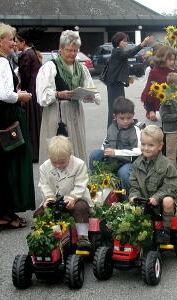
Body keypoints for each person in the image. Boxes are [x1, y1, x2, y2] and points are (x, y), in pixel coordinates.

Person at [36, 30, 101, 164]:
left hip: (75, 112)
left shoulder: (81, 68)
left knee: (76, 149)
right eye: (69, 50)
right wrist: (58, 94)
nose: (72, 54)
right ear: (60, 49)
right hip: (56, 113)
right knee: (58, 150)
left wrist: (90, 97)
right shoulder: (50, 67)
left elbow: (91, 88)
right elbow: (42, 96)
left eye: (75, 51)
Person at [0, 23, 35, 229]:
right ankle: (5, 214)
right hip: (7, 117)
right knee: (11, 165)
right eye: (11, 39)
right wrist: (20, 95)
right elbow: (4, 94)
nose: (14, 42)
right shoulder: (2, 62)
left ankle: (4, 212)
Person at [36, 136, 93, 250]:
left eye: (62, 162)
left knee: (80, 208)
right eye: (54, 162)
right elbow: (44, 185)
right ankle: (43, 237)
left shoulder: (79, 164)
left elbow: (80, 184)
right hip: (54, 200)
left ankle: (83, 236)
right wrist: (49, 198)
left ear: (69, 156)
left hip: (76, 199)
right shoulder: (44, 167)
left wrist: (73, 197)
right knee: (39, 213)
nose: (58, 165)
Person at [129, 125, 177, 244]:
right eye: (143, 144)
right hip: (144, 201)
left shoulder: (167, 165)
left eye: (150, 145)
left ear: (160, 146)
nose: (146, 148)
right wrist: (134, 196)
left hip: (161, 204)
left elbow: (170, 186)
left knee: (168, 200)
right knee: (129, 206)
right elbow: (134, 184)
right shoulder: (137, 164)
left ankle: (165, 231)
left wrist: (157, 197)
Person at [89, 96, 142, 194]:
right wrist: (104, 150)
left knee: (124, 172)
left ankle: (128, 199)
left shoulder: (136, 130)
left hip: (128, 162)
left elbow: (138, 151)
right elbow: (106, 141)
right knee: (94, 154)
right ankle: (95, 187)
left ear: (133, 115)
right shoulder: (112, 126)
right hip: (112, 159)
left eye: (129, 118)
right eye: (122, 118)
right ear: (115, 116)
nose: (126, 121)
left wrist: (115, 152)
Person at [106, 32, 153, 128]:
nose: (126, 43)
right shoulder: (117, 51)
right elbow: (130, 53)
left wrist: (129, 76)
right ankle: (112, 130)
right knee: (115, 107)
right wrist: (142, 44)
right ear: (118, 41)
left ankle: (117, 128)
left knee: (118, 106)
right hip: (114, 84)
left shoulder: (118, 52)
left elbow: (124, 68)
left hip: (116, 83)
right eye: (124, 41)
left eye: (126, 41)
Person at [16, 30, 42, 162]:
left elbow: (24, 76)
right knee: (36, 124)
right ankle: (37, 153)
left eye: (16, 41)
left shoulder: (25, 55)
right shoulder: (33, 53)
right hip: (36, 92)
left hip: (29, 92)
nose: (15, 44)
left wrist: (20, 90)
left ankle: (32, 154)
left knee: (29, 124)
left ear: (23, 42)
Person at [141, 45, 177, 126]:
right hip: (157, 114)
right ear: (162, 58)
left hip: (172, 113)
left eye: (173, 60)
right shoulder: (154, 72)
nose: (172, 62)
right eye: (170, 60)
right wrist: (150, 111)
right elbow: (148, 93)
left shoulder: (176, 72)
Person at [160, 72, 177, 165]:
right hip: (172, 132)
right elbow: (163, 116)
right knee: (172, 155)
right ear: (173, 86)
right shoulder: (166, 98)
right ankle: (171, 176)